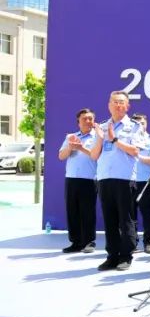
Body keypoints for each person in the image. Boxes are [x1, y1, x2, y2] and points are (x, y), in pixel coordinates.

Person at [88, 91, 145, 272]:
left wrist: (114, 139)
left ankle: (126, 256)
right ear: (109, 105)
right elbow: (94, 155)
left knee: (125, 219)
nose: (118, 105)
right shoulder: (102, 127)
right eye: (115, 102)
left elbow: (135, 151)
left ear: (127, 106)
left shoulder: (134, 126)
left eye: (121, 102)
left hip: (125, 179)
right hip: (104, 178)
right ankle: (112, 256)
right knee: (109, 219)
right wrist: (100, 138)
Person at [58, 108, 98, 254]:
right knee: (72, 211)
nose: (87, 121)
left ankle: (89, 242)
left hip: (89, 179)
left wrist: (80, 148)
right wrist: (70, 147)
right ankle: (76, 242)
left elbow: (97, 156)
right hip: (71, 179)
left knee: (88, 211)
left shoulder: (98, 137)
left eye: (90, 118)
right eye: (84, 119)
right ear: (78, 122)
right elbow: (61, 156)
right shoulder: (71, 137)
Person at [131, 114, 150, 254]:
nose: (140, 126)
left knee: (148, 214)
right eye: (136, 123)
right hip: (128, 180)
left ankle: (149, 242)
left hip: (145, 181)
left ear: (146, 124)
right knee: (129, 214)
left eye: (142, 123)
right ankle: (131, 243)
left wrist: (137, 155)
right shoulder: (126, 140)